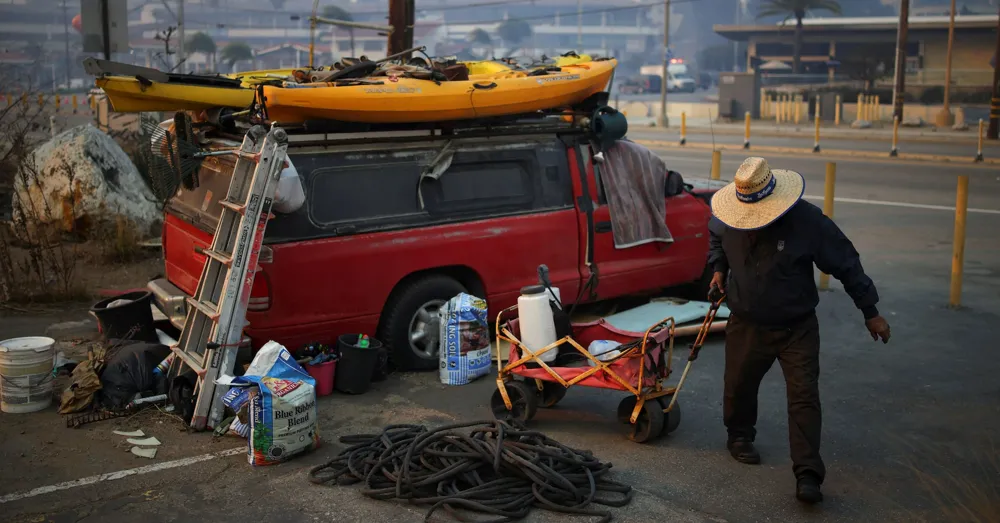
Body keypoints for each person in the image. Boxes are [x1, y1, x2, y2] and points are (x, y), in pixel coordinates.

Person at [707, 157, 891, 504]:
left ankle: (808, 473)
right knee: (739, 385)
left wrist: (870, 311)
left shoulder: (807, 221)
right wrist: (718, 270)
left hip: (797, 326)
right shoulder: (728, 216)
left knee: (804, 397)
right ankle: (739, 436)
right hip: (746, 321)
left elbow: (845, 262)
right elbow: (717, 238)